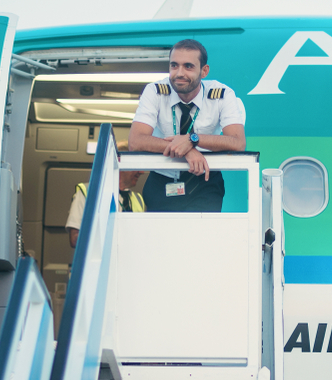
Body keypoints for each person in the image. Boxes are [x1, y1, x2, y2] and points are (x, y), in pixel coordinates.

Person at [128, 39, 246, 212]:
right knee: (160, 239)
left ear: (204, 71)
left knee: (200, 238)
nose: (179, 73)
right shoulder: (155, 91)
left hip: (204, 181)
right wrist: (188, 149)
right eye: (174, 66)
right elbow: (135, 141)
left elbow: (238, 143)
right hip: (162, 180)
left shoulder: (222, 94)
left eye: (188, 66)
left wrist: (193, 139)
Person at [66, 170, 145, 249]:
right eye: (135, 167)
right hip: (99, 260)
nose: (142, 172)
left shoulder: (138, 199)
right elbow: (75, 239)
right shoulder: (89, 192)